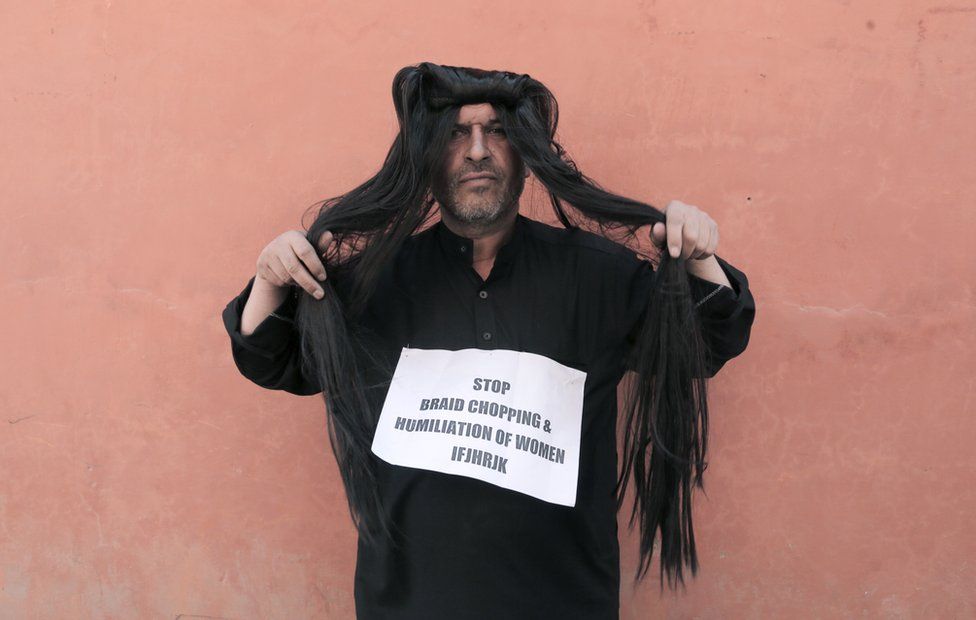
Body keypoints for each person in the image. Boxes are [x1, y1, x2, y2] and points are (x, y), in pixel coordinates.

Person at [222, 63, 755, 619]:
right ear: (427, 158)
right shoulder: (373, 284)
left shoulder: (599, 277)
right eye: (456, 132)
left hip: (565, 603)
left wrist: (700, 258)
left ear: (526, 155)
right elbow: (273, 361)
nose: (478, 150)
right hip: (406, 606)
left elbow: (709, 343)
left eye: (496, 131)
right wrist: (270, 278)